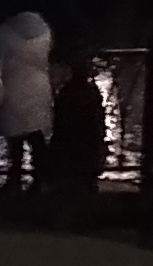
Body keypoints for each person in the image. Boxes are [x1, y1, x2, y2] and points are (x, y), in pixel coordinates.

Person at [0, 7, 54, 213]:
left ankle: (14, 181)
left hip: (13, 88)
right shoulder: (45, 31)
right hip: (39, 89)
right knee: (36, 137)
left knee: (15, 140)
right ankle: (39, 181)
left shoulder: (6, 31)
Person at [43, 36, 111, 222]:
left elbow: (66, 134)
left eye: (52, 69)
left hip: (77, 161)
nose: (49, 74)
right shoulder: (84, 90)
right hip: (86, 158)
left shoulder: (71, 97)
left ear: (64, 69)